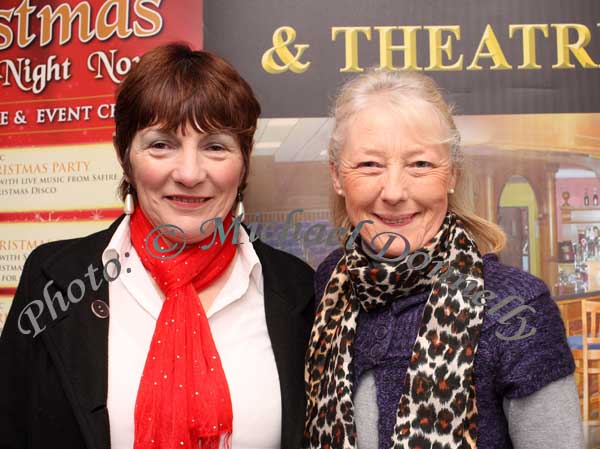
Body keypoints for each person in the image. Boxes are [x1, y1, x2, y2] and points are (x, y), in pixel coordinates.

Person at [0, 43, 314, 449]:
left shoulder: (297, 289)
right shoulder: (54, 278)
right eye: (161, 144)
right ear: (124, 155)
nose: (188, 173)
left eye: (215, 146)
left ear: (245, 161)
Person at [304, 70, 583, 449]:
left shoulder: (518, 307)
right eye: (370, 165)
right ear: (337, 176)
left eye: (420, 164)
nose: (394, 191)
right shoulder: (330, 281)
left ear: (451, 173)